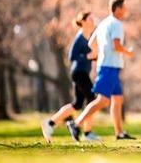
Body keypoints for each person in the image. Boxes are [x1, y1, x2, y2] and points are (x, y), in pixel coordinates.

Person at [67, 0, 136, 141]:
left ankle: (119, 134)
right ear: (117, 9)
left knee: (117, 99)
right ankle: (76, 124)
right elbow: (116, 46)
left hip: (110, 66)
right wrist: (128, 52)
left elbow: (92, 43)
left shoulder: (104, 23)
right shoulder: (116, 23)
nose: (126, 10)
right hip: (109, 67)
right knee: (103, 101)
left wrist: (101, 54)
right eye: (124, 7)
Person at [40, 12, 100, 142]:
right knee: (92, 100)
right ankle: (87, 133)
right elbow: (72, 57)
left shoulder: (88, 37)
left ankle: (50, 123)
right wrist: (88, 56)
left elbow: (88, 56)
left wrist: (95, 57)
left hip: (82, 73)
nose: (92, 20)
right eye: (90, 18)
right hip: (79, 73)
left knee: (77, 104)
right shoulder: (79, 38)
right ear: (83, 21)